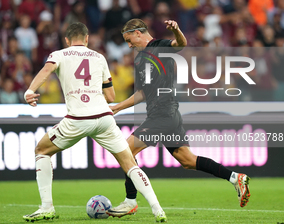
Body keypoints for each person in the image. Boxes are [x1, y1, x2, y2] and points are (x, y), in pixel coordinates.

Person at [22, 22, 167, 222]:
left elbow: (46, 71)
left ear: (67, 40)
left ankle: (46, 207)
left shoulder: (59, 55)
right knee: (129, 164)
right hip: (104, 118)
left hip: (78, 119)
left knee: (42, 150)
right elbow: (110, 95)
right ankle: (158, 209)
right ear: (87, 38)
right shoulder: (99, 57)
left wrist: (30, 90)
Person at [106, 18, 251, 218]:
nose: (129, 45)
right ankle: (236, 178)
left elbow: (180, 44)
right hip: (167, 114)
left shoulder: (158, 47)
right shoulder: (140, 59)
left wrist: (177, 30)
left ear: (138, 33)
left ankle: (130, 201)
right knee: (188, 160)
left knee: (126, 150)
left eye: (129, 39)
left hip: (163, 113)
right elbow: (142, 93)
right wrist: (118, 107)